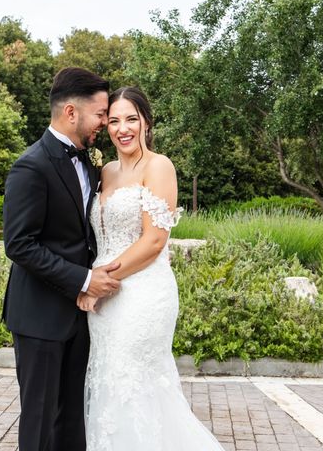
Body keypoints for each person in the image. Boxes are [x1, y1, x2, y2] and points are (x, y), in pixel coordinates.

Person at [78, 87, 225, 450]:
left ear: (146, 121)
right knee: (109, 382)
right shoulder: (105, 172)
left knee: (134, 384)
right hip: (104, 302)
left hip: (142, 294)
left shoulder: (159, 166)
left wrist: (97, 281)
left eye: (131, 119)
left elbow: (153, 242)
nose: (122, 128)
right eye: (113, 120)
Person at [3, 67, 122, 451]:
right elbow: (20, 245)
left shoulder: (88, 162)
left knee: (73, 420)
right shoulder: (30, 166)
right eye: (101, 114)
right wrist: (85, 280)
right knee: (38, 421)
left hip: (79, 317)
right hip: (39, 316)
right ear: (72, 112)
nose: (104, 123)